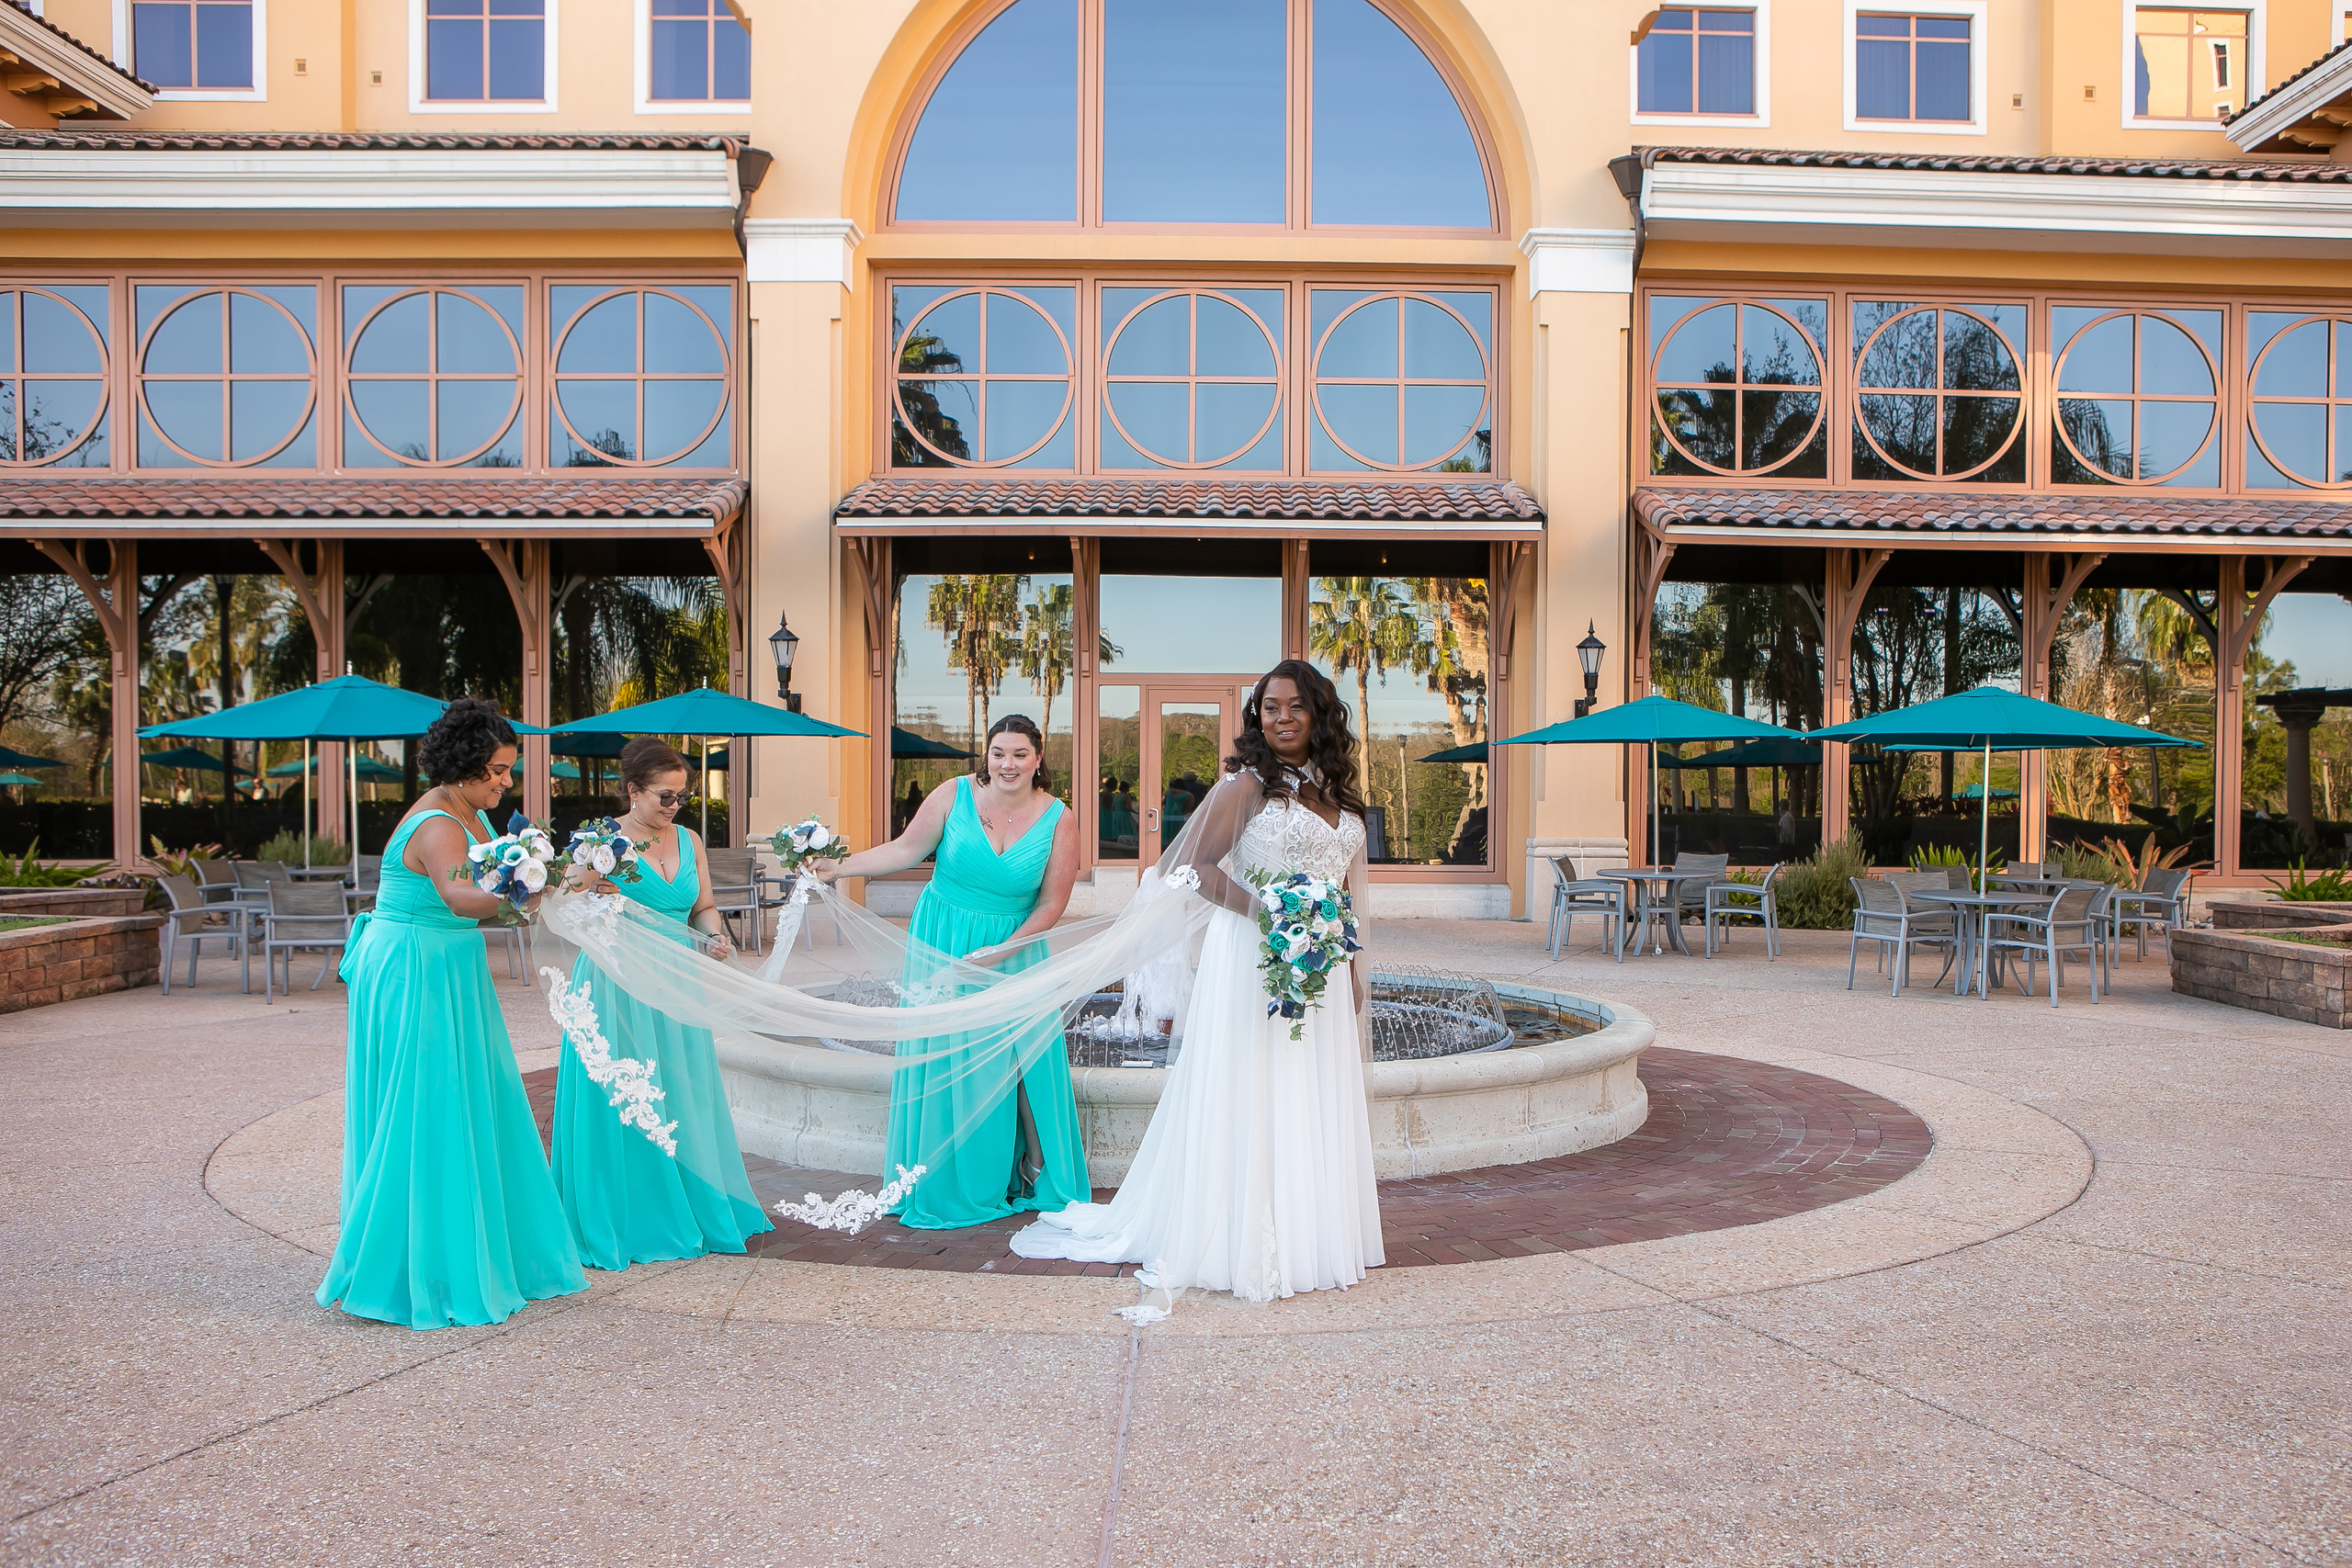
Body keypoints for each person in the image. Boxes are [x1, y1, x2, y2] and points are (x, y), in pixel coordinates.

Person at [1011, 660, 1383, 1310]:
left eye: (1295, 706)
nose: (1282, 718)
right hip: (1252, 953)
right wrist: (1267, 911)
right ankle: (1244, 1238)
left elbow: (1344, 893)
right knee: (1256, 1087)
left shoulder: (1340, 793)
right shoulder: (1246, 786)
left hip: (1319, 960)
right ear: (1257, 716)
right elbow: (1191, 866)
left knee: (1307, 1088)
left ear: (1321, 713)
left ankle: (1311, 1236)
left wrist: (1350, 971)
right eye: (1270, 707)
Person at [316, 699, 586, 1329]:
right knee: (427, 1106)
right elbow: (460, 896)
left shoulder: (470, 812)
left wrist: (542, 885)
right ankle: (417, 1268)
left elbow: (485, 894)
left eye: (507, 770)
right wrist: (530, 889)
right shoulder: (439, 823)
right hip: (416, 964)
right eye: (494, 770)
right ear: (462, 765)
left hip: (446, 962)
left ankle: (457, 1251)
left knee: (462, 1100)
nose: (504, 782)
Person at [813, 713, 1086, 1229]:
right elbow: (906, 849)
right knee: (947, 1058)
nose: (1008, 764)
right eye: (999, 752)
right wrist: (839, 867)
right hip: (941, 941)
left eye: (1020, 754)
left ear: (1039, 758)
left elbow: (1052, 904)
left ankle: (1032, 1169)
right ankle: (946, 1176)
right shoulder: (953, 794)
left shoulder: (1060, 818)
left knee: (1021, 1060)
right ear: (986, 755)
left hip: (1016, 947)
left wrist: (999, 953)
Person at [551, 737, 773, 1270]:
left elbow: (703, 906)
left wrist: (715, 937)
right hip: (618, 979)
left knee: (682, 1088)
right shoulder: (601, 842)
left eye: (681, 796)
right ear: (632, 791)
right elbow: (561, 903)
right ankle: (630, 1214)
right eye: (664, 796)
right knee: (628, 1089)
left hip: (679, 977)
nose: (675, 806)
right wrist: (600, 908)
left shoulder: (690, 838)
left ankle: (693, 1201)